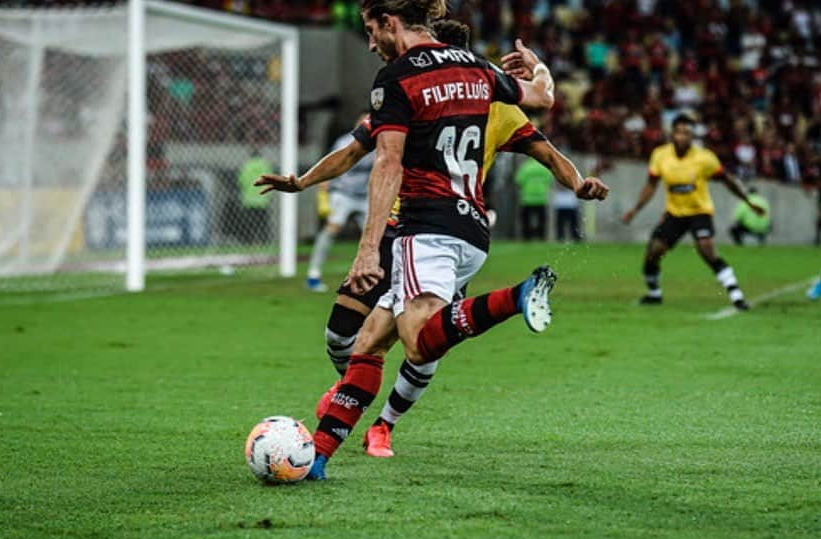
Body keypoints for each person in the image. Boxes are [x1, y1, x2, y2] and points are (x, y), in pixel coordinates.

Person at [255, 18, 608, 464]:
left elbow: (381, 161)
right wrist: (539, 69)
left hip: (424, 227)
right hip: (454, 230)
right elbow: (547, 108)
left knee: (420, 343)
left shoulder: (419, 85)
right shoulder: (487, 88)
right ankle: (318, 458)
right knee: (362, 342)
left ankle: (387, 420)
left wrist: (356, 238)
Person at [621, 113, 766, 310]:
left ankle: (736, 295)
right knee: (654, 252)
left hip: (699, 211)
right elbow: (651, 185)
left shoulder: (705, 158)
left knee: (706, 249)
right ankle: (654, 293)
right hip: (674, 214)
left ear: (693, 136)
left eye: (687, 133)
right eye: (679, 132)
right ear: (672, 133)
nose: (682, 137)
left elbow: (728, 181)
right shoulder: (660, 155)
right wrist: (635, 210)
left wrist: (748, 202)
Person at [306, 115, 375, 292]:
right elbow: (333, 164)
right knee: (333, 228)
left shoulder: (379, 145)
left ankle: (373, 277)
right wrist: (323, 192)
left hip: (365, 195)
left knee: (375, 236)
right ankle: (313, 274)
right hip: (343, 193)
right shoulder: (345, 142)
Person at [237, 149, 271, 243]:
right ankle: (264, 240)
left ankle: (248, 241)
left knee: (249, 223)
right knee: (263, 223)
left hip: (248, 200)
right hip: (262, 199)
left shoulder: (246, 166)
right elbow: (271, 181)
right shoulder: (264, 165)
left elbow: (241, 181)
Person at [515, 157, 552, 240]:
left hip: (527, 198)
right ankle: (541, 236)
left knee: (526, 220)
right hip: (541, 198)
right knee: (542, 220)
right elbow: (550, 180)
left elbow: (519, 181)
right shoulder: (544, 167)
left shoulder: (525, 167)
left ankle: (527, 237)